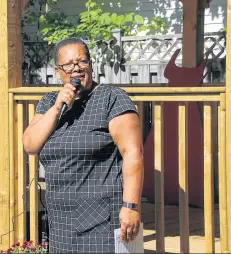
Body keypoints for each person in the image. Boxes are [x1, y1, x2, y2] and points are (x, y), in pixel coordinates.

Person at [22, 38, 144, 253]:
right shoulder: (50, 102)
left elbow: (133, 153)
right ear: (58, 71)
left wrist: (131, 206)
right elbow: (31, 145)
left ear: (91, 65)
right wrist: (58, 106)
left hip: (102, 217)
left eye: (82, 61)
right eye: (69, 64)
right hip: (61, 219)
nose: (76, 68)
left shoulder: (112, 98)